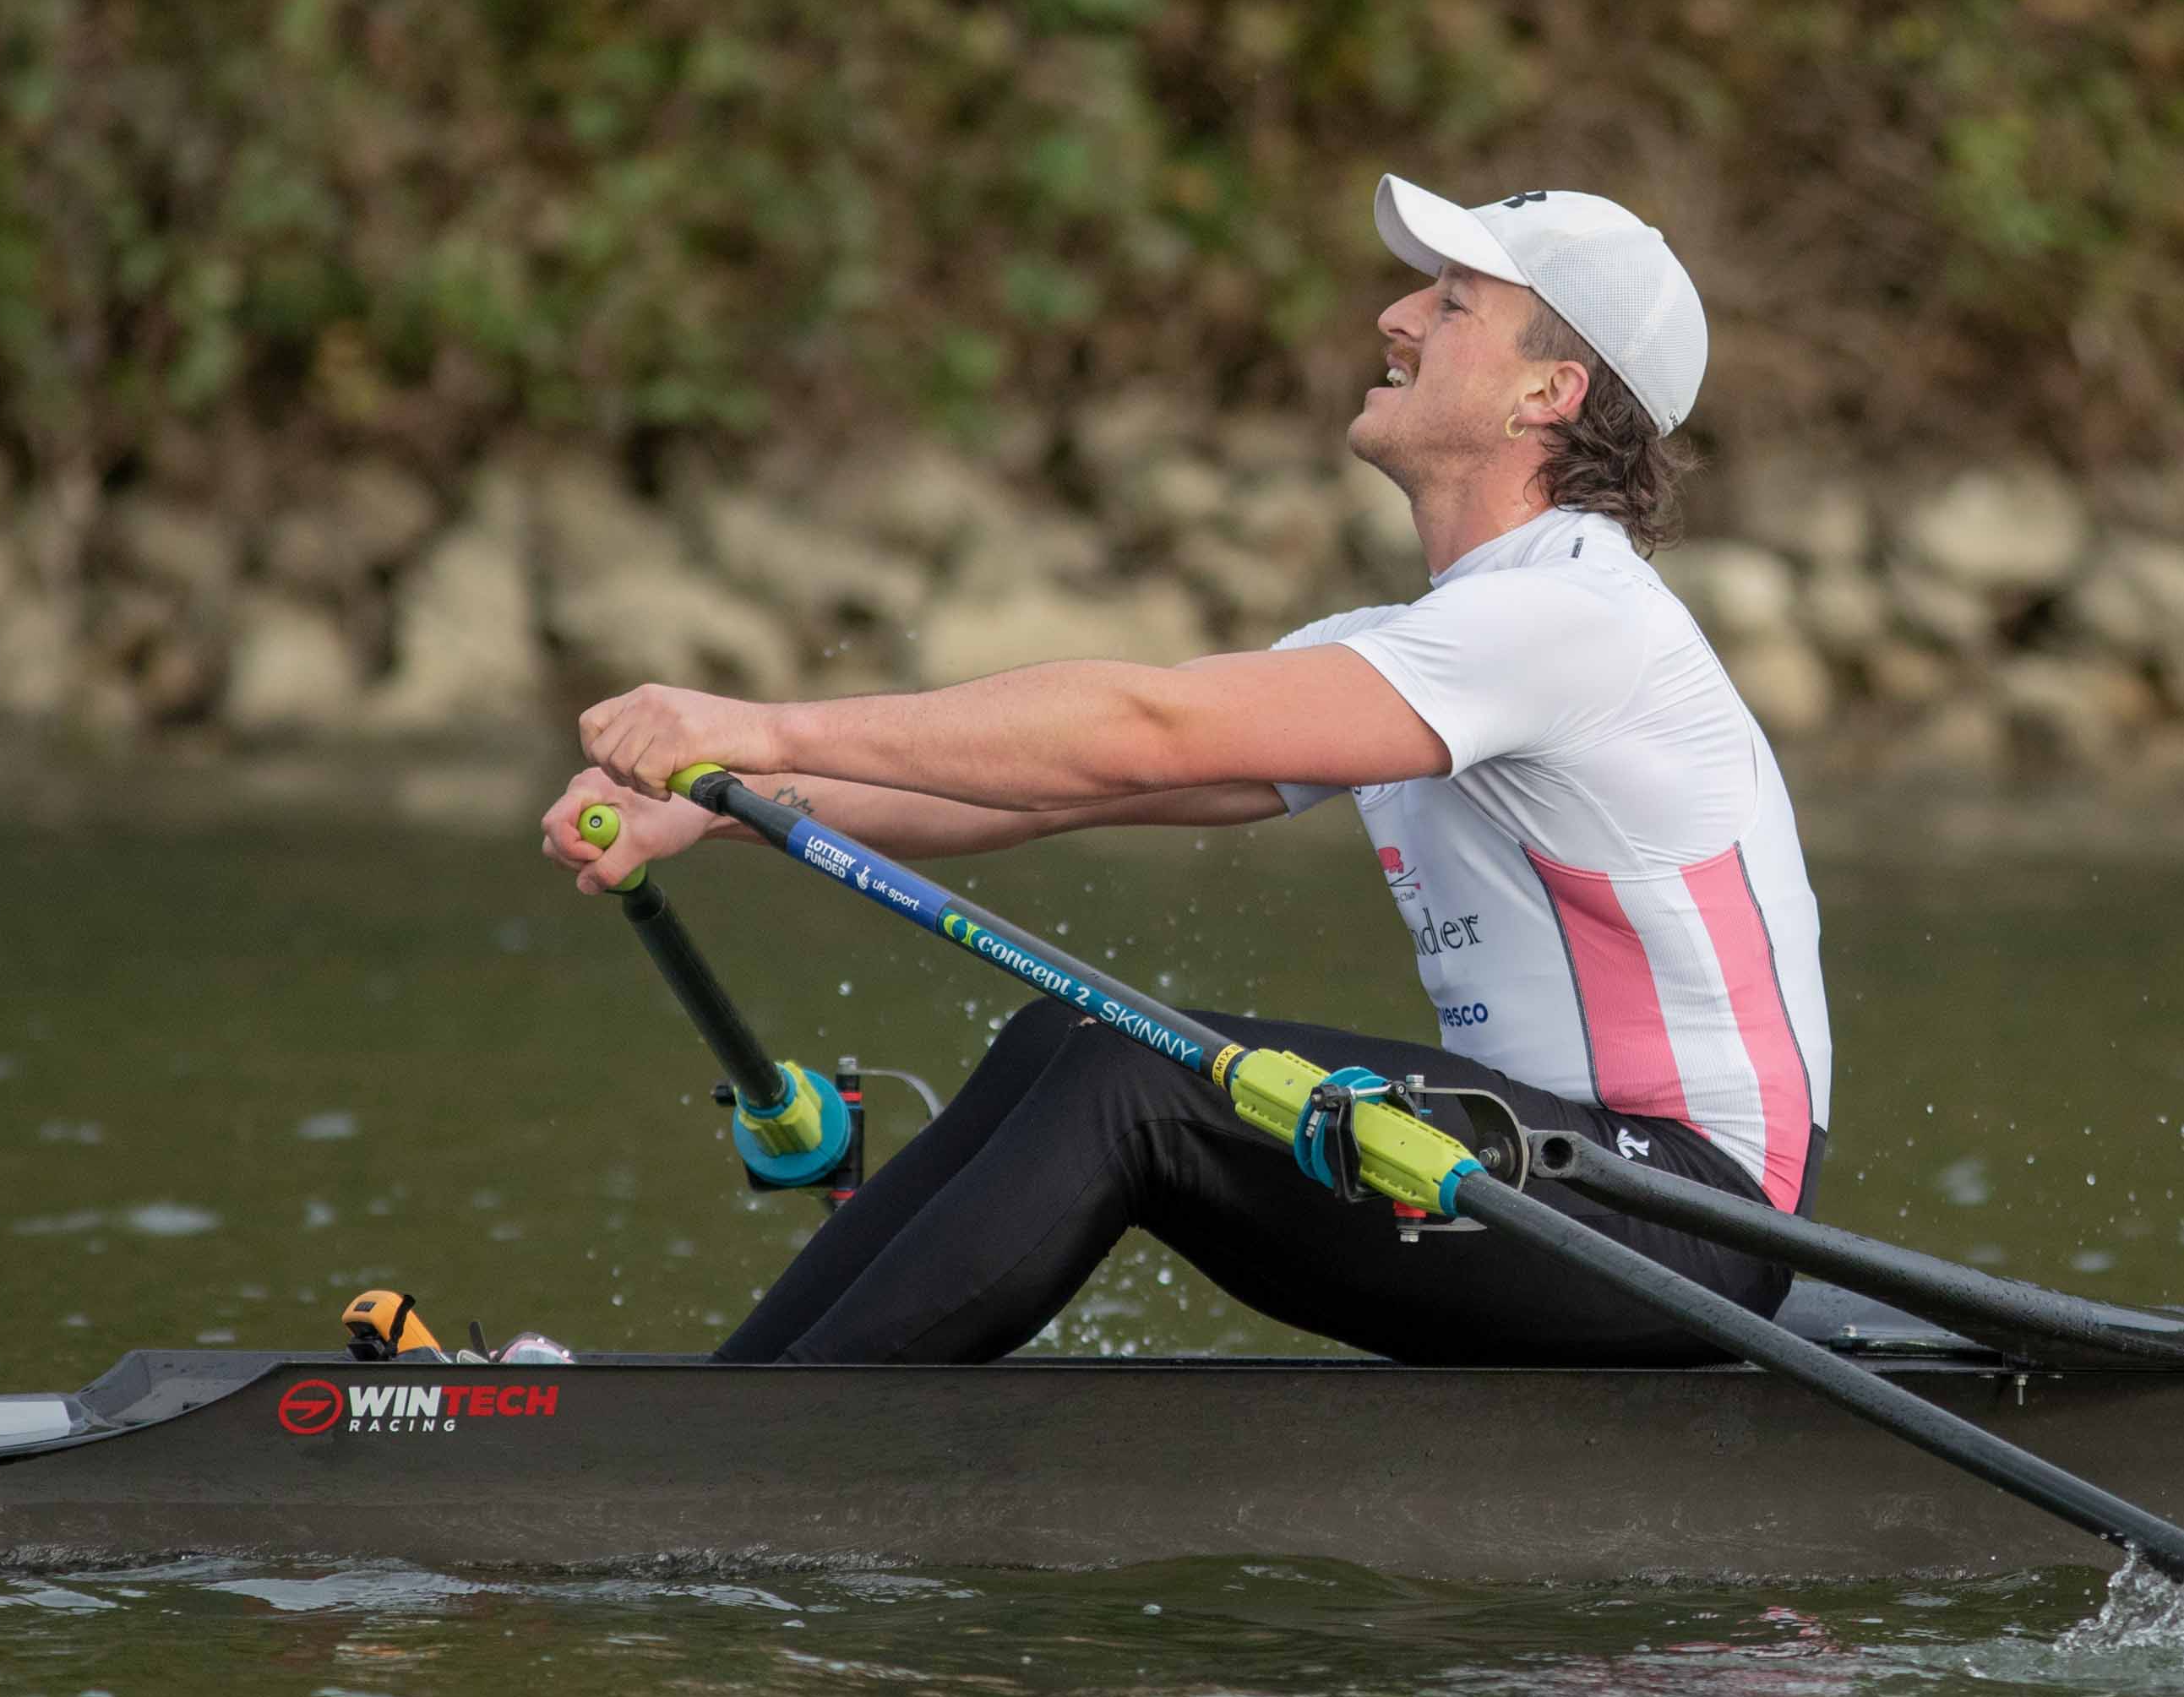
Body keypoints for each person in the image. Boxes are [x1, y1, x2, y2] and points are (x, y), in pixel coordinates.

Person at [541, 177, 1834, 1366]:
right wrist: (715, 815)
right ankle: (740, 1406)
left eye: (1449, 305)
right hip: (1537, 1175)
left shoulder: (1571, 619)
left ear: (1546, 394)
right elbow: (1067, 785)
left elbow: (1143, 728)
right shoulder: (1422, 646)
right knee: (1069, 1036)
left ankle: (762, 1453)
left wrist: (766, 730)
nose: (1394, 316)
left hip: (1686, 1217)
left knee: (1134, 1076)